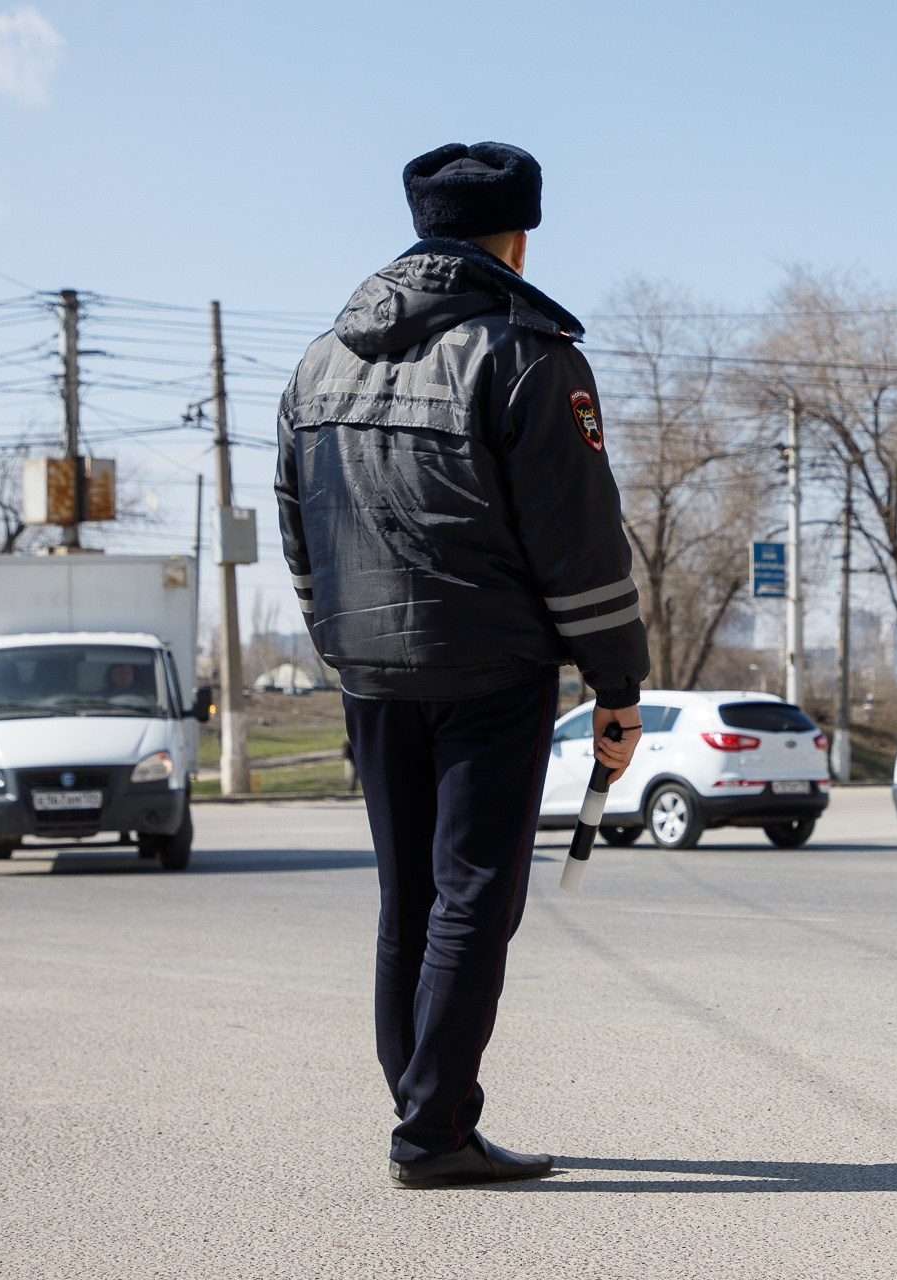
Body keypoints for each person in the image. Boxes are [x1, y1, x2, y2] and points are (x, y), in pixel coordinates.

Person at [275, 141, 649, 1189]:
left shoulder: (317, 362)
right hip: (490, 671)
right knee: (475, 895)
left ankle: (423, 1102)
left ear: (420, 227)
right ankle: (432, 1129)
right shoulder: (526, 354)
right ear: (518, 235)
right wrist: (615, 685)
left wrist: (343, 641)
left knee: (409, 898)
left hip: (372, 674)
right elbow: (579, 543)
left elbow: (298, 534)